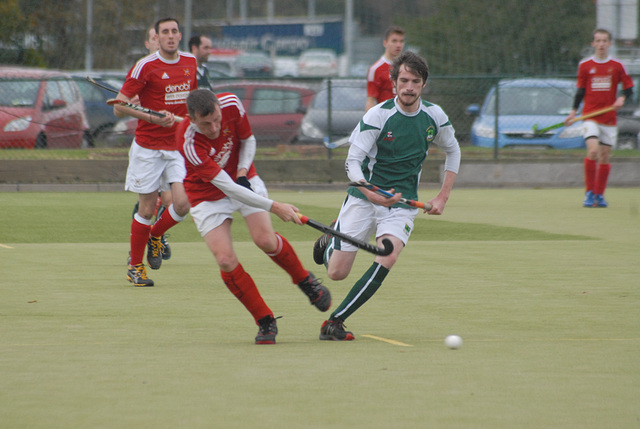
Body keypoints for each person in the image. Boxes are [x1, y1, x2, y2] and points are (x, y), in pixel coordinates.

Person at [312, 51, 461, 341]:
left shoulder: (434, 116)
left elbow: (453, 150)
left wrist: (443, 196)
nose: (408, 87)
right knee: (336, 273)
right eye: (403, 80)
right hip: (363, 196)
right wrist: (371, 193)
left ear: (423, 84)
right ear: (394, 82)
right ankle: (330, 238)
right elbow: (352, 162)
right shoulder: (377, 116)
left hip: (402, 204)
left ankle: (335, 322)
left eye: (415, 81)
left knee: (388, 255)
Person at [177, 89, 331, 344]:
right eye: (206, 124)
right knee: (225, 259)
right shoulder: (188, 142)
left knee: (266, 240)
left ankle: (305, 281)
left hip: (242, 177)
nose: (215, 128)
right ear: (192, 119)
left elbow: (248, 139)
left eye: (217, 119)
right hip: (207, 194)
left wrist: (241, 171)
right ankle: (264, 319)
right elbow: (227, 188)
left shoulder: (231, 103)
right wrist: (276, 206)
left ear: (218, 106)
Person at [114, 17, 198, 287]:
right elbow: (119, 107)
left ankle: (155, 236)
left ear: (180, 35)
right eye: (165, 32)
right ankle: (136, 267)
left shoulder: (190, 63)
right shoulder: (144, 67)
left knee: (183, 204)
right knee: (148, 207)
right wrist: (152, 118)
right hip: (148, 148)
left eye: (174, 31)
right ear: (157, 38)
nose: (170, 36)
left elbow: (192, 101)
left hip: (178, 146)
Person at [564, 28, 634, 208]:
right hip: (590, 117)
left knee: (604, 157)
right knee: (593, 151)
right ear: (592, 44)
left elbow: (629, 88)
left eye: (605, 41)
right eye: (598, 41)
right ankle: (589, 193)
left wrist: (622, 98)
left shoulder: (617, 66)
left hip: (609, 118)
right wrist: (573, 112)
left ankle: (599, 195)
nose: (601, 44)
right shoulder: (585, 65)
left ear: (609, 44)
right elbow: (580, 91)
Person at [365, 26, 406, 112]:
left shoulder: (407, 67)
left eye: (401, 41)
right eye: (394, 41)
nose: (398, 45)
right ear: (385, 43)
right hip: (386, 117)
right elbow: (371, 100)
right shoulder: (376, 69)